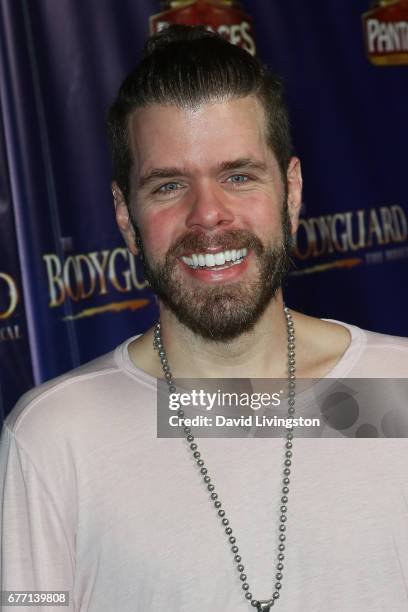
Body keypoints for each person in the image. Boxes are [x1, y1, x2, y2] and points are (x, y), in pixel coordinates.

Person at [1, 25, 408, 612]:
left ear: (291, 192)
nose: (208, 215)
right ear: (125, 215)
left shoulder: (394, 393)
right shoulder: (56, 438)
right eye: (169, 186)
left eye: (238, 176)